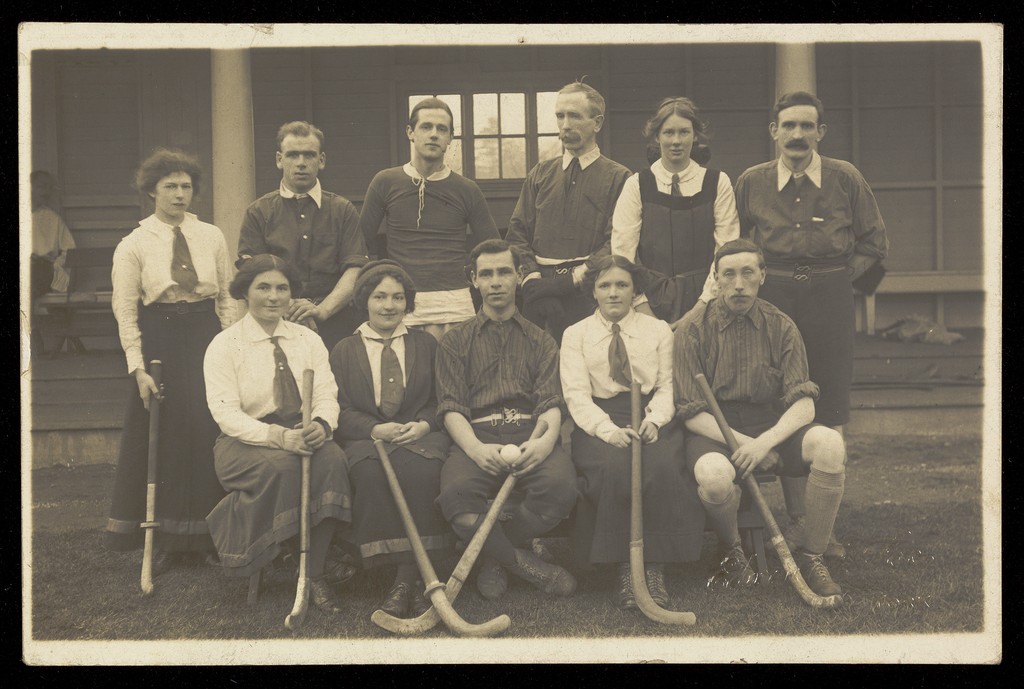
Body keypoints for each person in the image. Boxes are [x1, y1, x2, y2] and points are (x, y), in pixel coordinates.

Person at [734, 91, 887, 555]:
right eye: (788, 125)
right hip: (772, 298)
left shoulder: (845, 178)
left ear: (821, 132)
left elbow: (874, 243)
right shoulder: (752, 181)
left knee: (828, 404)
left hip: (829, 299)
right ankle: (794, 517)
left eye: (806, 126)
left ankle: (821, 529)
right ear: (773, 131)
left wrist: (834, 280)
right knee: (777, 398)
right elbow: (734, 244)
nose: (797, 134)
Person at [674, 239, 848, 596]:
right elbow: (691, 413)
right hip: (715, 431)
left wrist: (765, 443)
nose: (739, 284)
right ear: (715, 279)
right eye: (729, 274)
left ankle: (813, 556)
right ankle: (731, 550)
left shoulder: (781, 325)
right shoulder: (692, 329)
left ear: (763, 276)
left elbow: (804, 405)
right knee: (714, 476)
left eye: (748, 273)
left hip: (771, 427)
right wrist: (746, 445)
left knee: (830, 445)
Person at [105, 149, 235, 572]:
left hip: (204, 335)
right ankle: (165, 537)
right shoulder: (134, 244)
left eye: (186, 186)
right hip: (160, 338)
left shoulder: (211, 236)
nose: (180, 194)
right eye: (170, 186)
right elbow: (126, 310)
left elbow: (226, 296)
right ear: (151, 191)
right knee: (165, 433)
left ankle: (209, 535)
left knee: (207, 428)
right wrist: (137, 367)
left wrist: (230, 345)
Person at [204, 254, 352, 615]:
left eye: (282, 288)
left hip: (301, 429)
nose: (273, 297)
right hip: (245, 441)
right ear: (245, 292)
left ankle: (312, 572)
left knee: (333, 460)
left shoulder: (308, 340)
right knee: (284, 468)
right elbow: (226, 414)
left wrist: (321, 425)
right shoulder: (224, 345)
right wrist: (278, 437)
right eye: (263, 287)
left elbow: (326, 393)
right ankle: (286, 555)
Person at [435, 239, 578, 600]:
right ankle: (521, 563)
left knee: (560, 487)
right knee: (456, 498)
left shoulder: (541, 340)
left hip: (530, 431)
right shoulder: (454, 341)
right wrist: (474, 449)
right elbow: (451, 407)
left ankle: (491, 555)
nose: (496, 282)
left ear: (518, 276)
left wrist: (544, 444)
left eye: (504, 272)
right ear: (474, 280)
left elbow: (551, 402)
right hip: (476, 434)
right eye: (486, 274)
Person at [560, 254, 704, 609]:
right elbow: (576, 395)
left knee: (661, 467)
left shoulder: (658, 330)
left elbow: (668, 385)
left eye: (622, 285)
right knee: (614, 468)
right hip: (599, 420)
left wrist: (655, 420)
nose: (613, 293)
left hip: (651, 416)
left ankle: (653, 566)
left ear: (634, 290)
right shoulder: (576, 334)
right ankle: (625, 566)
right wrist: (608, 431)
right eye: (605, 285)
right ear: (593, 291)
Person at [330, 260, 454, 619]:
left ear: (407, 302)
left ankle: (404, 582)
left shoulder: (426, 344)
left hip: (421, 437)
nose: (389, 305)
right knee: (371, 475)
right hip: (368, 440)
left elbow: (440, 399)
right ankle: (401, 575)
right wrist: (374, 429)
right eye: (380, 296)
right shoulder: (344, 350)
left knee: (423, 474)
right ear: (364, 300)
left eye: (398, 297)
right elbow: (340, 409)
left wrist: (424, 425)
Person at [358, 98, 499, 341]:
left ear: (450, 137)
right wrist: (384, 285)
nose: (434, 134)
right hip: (402, 307)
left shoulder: (467, 189)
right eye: (426, 127)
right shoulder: (385, 181)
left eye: (442, 129)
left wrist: (467, 276)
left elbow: (493, 248)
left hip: (455, 306)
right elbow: (360, 243)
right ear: (410, 133)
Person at [506, 81, 632, 344]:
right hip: (539, 296)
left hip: (590, 294)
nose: (565, 125)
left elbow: (617, 241)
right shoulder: (540, 174)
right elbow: (517, 233)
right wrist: (532, 280)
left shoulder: (619, 178)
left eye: (574, 116)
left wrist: (573, 280)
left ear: (597, 123)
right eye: (560, 116)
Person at [238, 121, 369, 353]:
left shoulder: (342, 210)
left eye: (309, 155)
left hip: (336, 322)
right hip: (277, 321)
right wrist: (290, 308)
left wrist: (322, 310)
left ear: (321, 160)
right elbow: (251, 272)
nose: (301, 162)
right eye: (292, 155)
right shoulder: (258, 212)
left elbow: (355, 268)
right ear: (279, 159)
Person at [611, 97, 739, 324]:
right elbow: (623, 254)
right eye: (669, 132)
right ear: (657, 136)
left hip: (706, 300)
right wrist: (642, 308)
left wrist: (702, 306)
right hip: (649, 300)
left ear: (695, 135)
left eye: (684, 132)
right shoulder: (637, 184)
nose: (676, 141)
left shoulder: (718, 182)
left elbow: (726, 249)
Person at [31, 170, 76, 297]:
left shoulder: (52, 218)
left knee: (38, 270)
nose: (46, 192)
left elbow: (70, 250)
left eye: (49, 188)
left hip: (45, 270)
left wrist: (55, 264)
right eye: (41, 187)